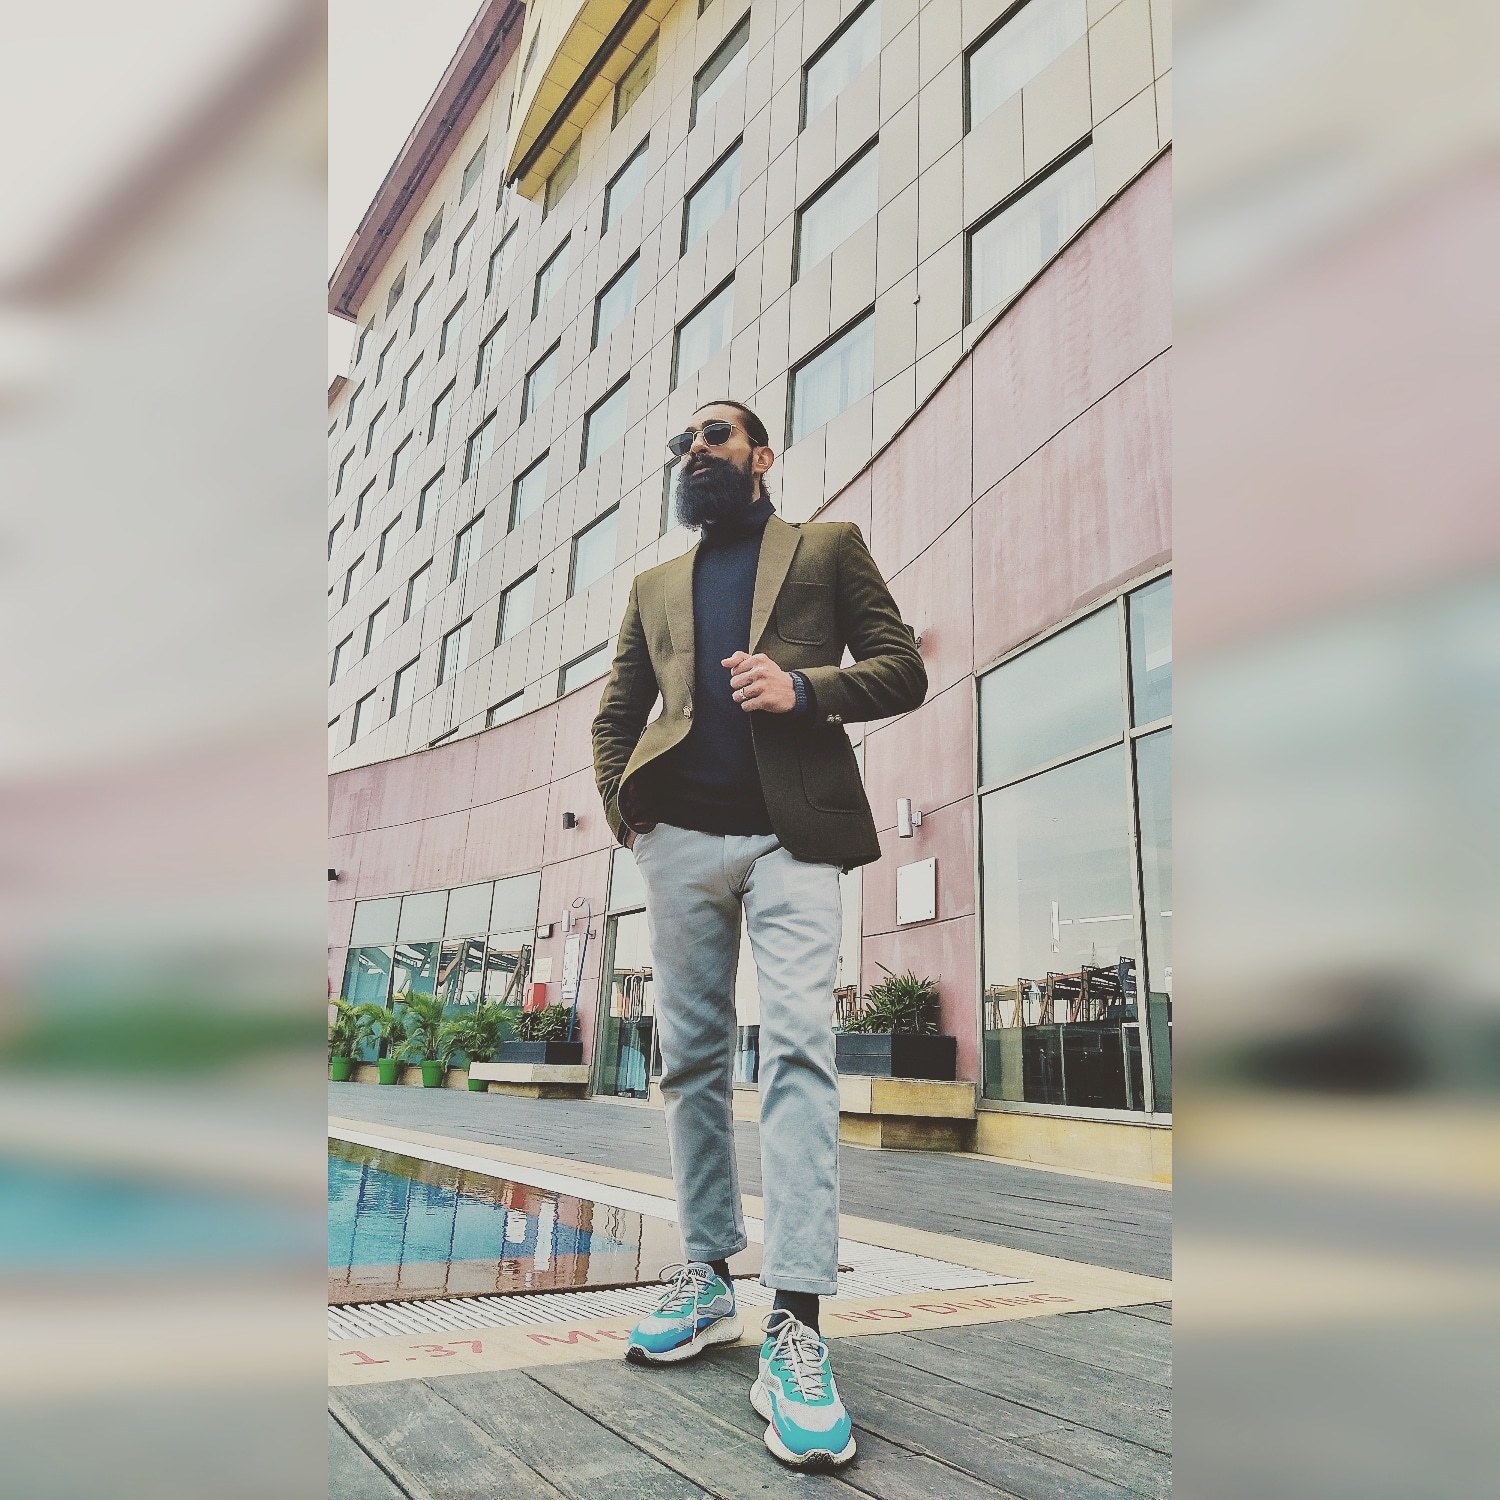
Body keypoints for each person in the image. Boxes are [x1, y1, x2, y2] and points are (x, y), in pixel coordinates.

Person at [591, 400, 927, 1470]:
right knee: (689, 1059)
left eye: (716, 435)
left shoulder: (826, 548)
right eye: (683, 443)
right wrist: (628, 816)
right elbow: (617, 714)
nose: (696, 451)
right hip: (678, 840)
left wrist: (802, 688)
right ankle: (706, 1277)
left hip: (795, 835)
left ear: (762, 455)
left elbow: (902, 668)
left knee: (797, 1052)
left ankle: (797, 1322)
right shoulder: (653, 587)